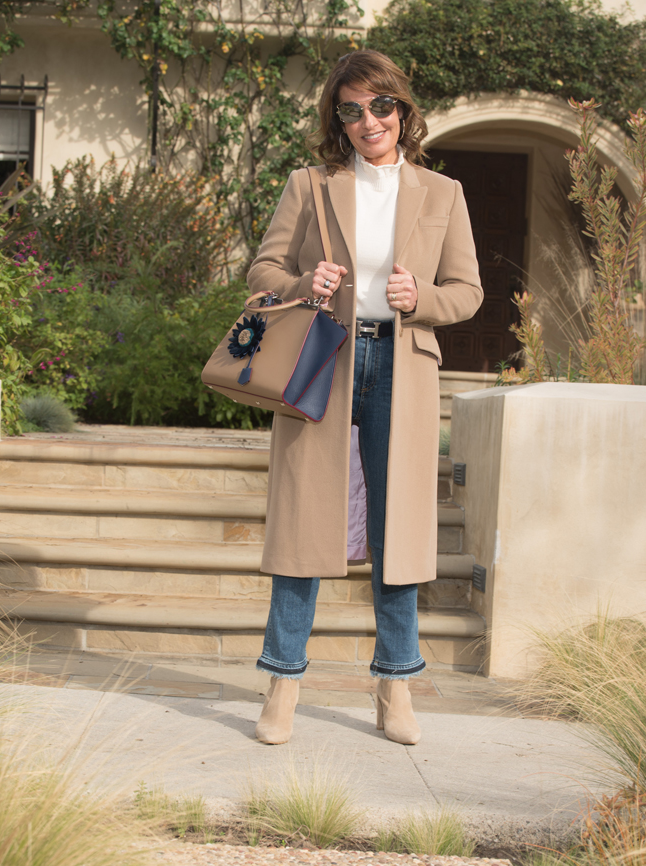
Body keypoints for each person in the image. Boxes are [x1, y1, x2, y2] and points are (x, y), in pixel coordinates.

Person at [247, 49, 483, 746]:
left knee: (397, 527)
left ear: (401, 111)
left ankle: (394, 687)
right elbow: (261, 269)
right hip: (324, 356)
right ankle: (283, 683)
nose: (368, 120)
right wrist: (301, 282)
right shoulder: (310, 185)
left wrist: (424, 298)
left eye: (380, 106)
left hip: (402, 361)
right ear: (338, 120)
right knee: (302, 520)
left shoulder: (443, 193)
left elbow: (467, 292)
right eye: (351, 110)